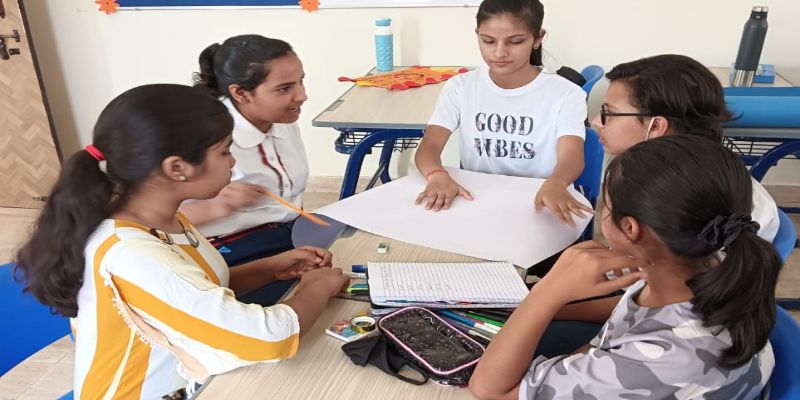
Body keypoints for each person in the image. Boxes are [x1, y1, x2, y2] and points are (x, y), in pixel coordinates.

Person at [14, 84, 349, 400]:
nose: (232, 162)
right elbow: (268, 338)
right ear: (177, 168)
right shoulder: (131, 254)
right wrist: (317, 288)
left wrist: (269, 270)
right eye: (224, 151)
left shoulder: (162, 219)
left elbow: (194, 289)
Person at [470, 135, 780, 399]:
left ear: (630, 228)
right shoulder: (708, 263)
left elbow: (490, 391)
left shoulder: (657, 361)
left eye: (605, 206)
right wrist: (544, 308)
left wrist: (548, 293)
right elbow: (632, 309)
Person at [413, 0, 591, 225]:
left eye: (515, 42)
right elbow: (429, 146)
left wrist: (557, 182)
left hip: (539, 199)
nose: (499, 52)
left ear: (538, 38)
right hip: (476, 200)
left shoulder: (566, 93)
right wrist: (436, 174)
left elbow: (571, 155)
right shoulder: (460, 87)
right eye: (488, 41)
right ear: (477, 35)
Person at [592, 54, 779, 241]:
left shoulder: (691, 208)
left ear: (655, 126)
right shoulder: (661, 176)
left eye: (608, 113)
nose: (595, 122)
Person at [183, 34, 311, 306]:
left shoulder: (283, 119)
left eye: (301, 80)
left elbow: (289, 199)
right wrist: (215, 207)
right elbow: (148, 223)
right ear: (240, 93)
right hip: (233, 249)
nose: (302, 95)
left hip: (289, 233)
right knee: (304, 302)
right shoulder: (202, 137)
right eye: (284, 88)